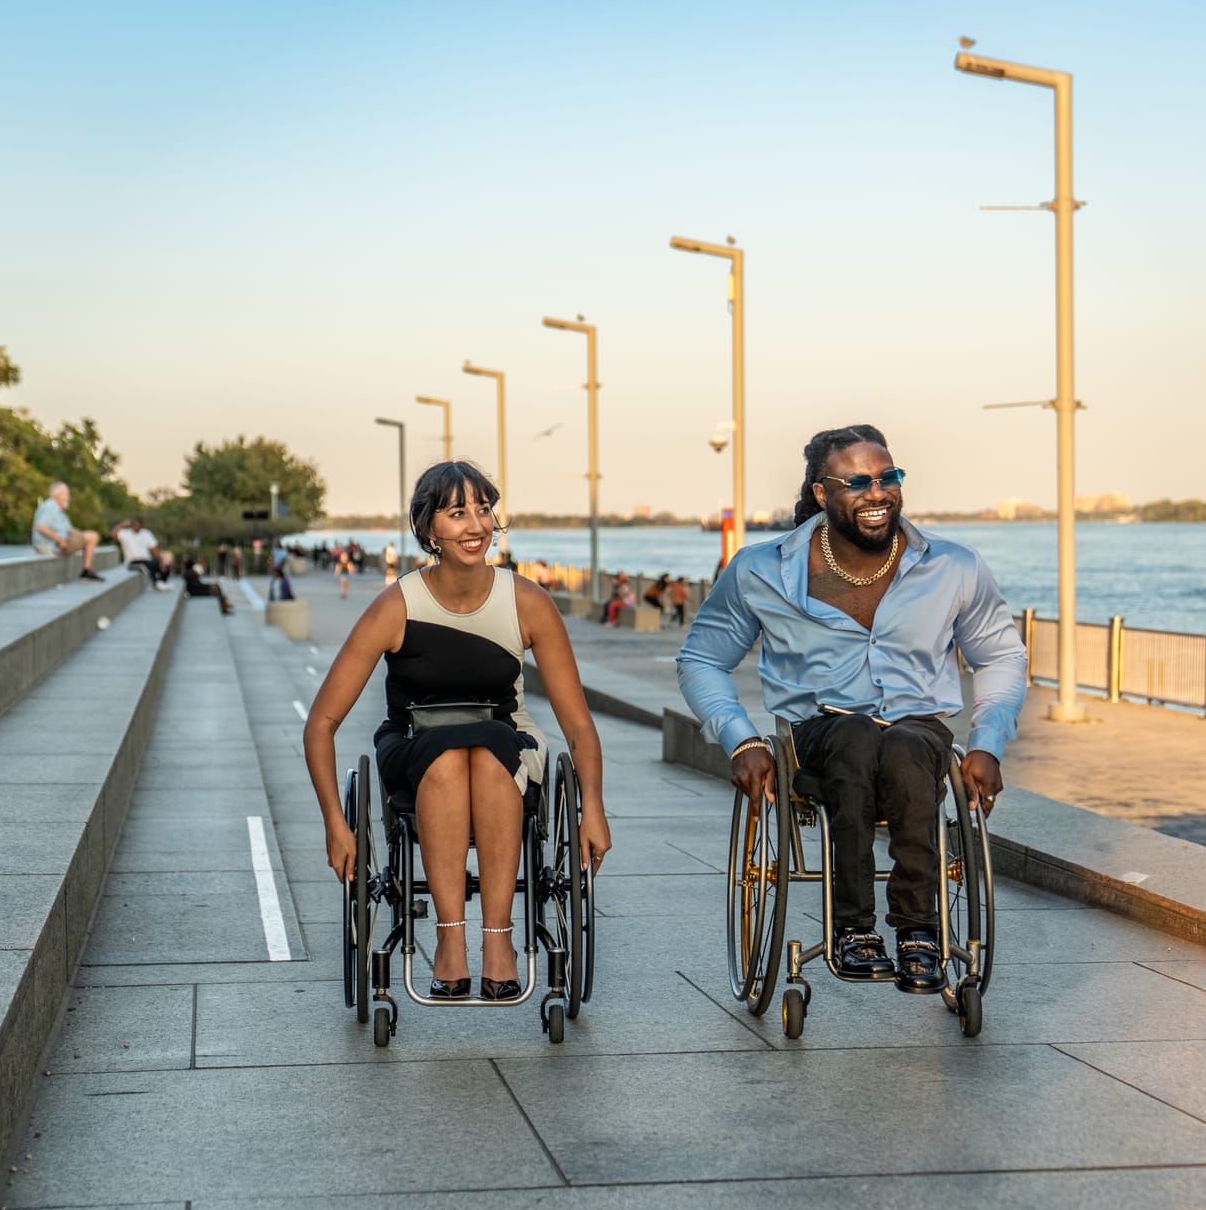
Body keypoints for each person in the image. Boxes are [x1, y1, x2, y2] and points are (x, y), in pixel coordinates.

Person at [676, 424, 1027, 994]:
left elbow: (1002, 656)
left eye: (889, 477)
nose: (878, 492)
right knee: (857, 735)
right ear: (822, 493)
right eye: (858, 481)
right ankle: (852, 930)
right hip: (821, 733)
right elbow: (701, 659)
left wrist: (987, 741)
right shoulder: (760, 570)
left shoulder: (954, 566)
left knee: (910, 746)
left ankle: (919, 932)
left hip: (918, 730)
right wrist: (739, 739)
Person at [304, 461, 611, 999]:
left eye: (483, 509)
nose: (475, 525)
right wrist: (336, 822)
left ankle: (499, 939)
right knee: (447, 759)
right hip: (415, 741)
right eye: (457, 512)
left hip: (503, 737)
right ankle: (450, 939)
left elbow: (579, 726)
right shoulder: (396, 605)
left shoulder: (529, 602)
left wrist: (593, 810)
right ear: (428, 531)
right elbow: (321, 724)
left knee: (490, 752)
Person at [31, 482, 104, 581]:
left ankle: (87, 570)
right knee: (93, 536)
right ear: (58, 495)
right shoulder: (50, 506)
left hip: (60, 543)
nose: (68, 497)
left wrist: (79, 534)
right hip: (51, 546)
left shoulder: (60, 510)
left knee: (90, 536)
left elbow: (69, 530)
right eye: (66, 494)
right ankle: (86, 571)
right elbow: (41, 527)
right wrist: (60, 540)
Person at [111, 517, 172, 589]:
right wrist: (123, 524)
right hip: (132, 561)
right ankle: (156, 583)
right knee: (146, 566)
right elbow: (112, 534)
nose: (136, 526)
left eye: (138, 524)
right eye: (134, 524)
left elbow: (154, 550)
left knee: (164, 565)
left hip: (146, 560)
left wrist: (161, 562)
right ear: (131, 524)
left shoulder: (147, 533)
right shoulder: (125, 533)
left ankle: (161, 582)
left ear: (142, 525)